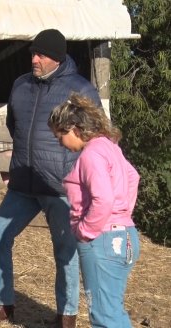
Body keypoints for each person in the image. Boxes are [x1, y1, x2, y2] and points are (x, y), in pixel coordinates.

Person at [0, 29, 101, 328]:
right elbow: (16, 125)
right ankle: (3, 305)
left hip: (62, 187)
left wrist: (77, 175)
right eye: (32, 54)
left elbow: (96, 138)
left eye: (40, 54)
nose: (34, 59)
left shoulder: (80, 90)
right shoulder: (21, 85)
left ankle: (66, 317)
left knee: (65, 252)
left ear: (57, 57)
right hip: (25, 182)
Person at [48, 93, 140, 327]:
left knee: (103, 316)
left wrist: (86, 231)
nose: (60, 143)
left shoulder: (91, 154)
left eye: (60, 136)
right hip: (125, 236)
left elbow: (103, 198)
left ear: (74, 128)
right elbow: (133, 176)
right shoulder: (109, 147)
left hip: (103, 241)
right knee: (112, 310)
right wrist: (123, 214)